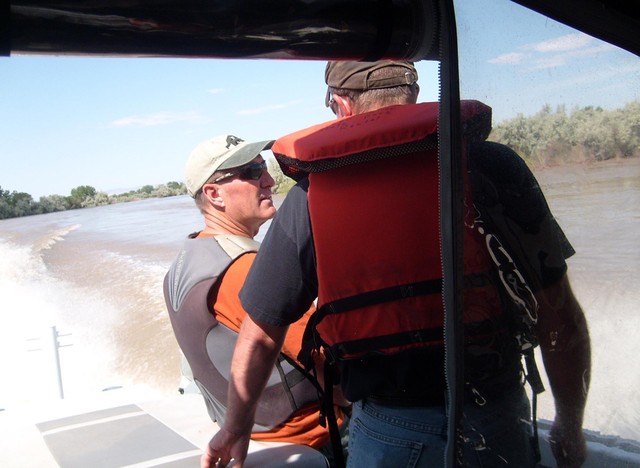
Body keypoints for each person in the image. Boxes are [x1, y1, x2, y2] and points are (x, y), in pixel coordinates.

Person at [203, 62, 591, 468]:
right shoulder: (491, 164)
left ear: (340, 104)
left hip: (391, 427)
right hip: (495, 415)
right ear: (413, 94)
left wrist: (235, 427)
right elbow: (559, 312)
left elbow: (262, 331)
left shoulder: (311, 194)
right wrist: (568, 422)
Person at [163, 134, 347, 466]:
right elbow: (326, 362)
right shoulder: (246, 271)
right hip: (307, 437)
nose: (268, 180)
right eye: (251, 172)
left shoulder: (184, 264)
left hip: (247, 430)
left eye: (264, 167)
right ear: (214, 194)